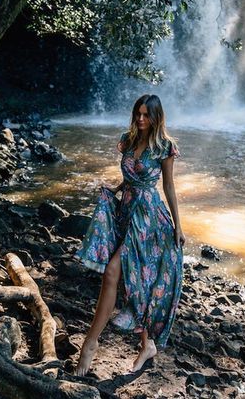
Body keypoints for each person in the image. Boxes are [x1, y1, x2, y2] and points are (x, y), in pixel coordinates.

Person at [73, 93, 185, 376]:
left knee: (113, 272)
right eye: (138, 113)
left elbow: (168, 187)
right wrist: (116, 189)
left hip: (149, 221)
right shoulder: (128, 138)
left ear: (157, 117)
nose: (141, 118)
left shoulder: (165, 147)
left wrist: (179, 226)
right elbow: (131, 176)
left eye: (147, 115)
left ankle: (90, 344)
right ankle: (147, 345)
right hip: (126, 213)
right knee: (139, 280)